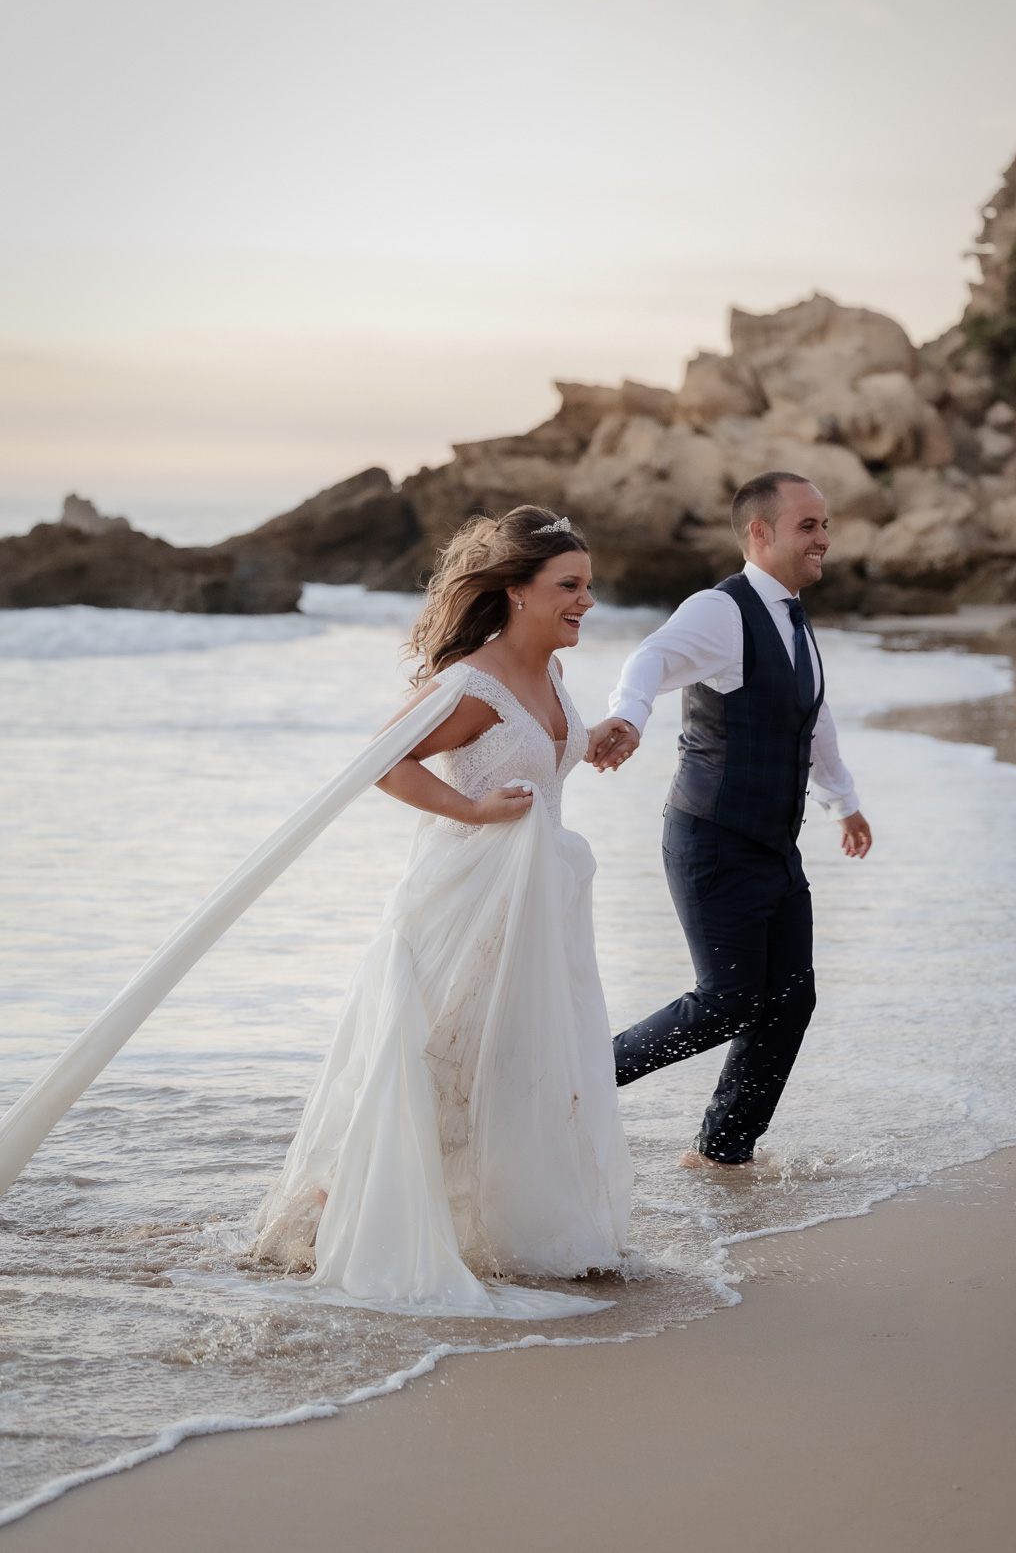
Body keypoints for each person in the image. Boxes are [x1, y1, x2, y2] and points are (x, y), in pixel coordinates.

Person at [252, 507, 632, 1314]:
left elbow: (538, 751)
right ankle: (336, 1217)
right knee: (434, 1065)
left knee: (503, 1069)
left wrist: (592, 738)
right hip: (466, 903)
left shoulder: (553, 673)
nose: (585, 602)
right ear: (518, 592)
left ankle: (486, 1229)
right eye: (569, 587)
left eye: (588, 587)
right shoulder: (472, 682)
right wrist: (471, 811)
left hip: (536, 907)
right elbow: (381, 763)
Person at [586, 471, 871, 1169]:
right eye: (808, 525)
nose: (824, 538)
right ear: (760, 534)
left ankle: (721, 1151)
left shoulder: (795, 620)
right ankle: (573, 1081)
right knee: (727, 1001)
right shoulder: (721, 610)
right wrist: (630, 714)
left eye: (825, 524)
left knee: (790, 999)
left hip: (773, 845)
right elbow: (650, 656)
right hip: (712, 837)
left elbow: (812, 718)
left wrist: (843, 801)